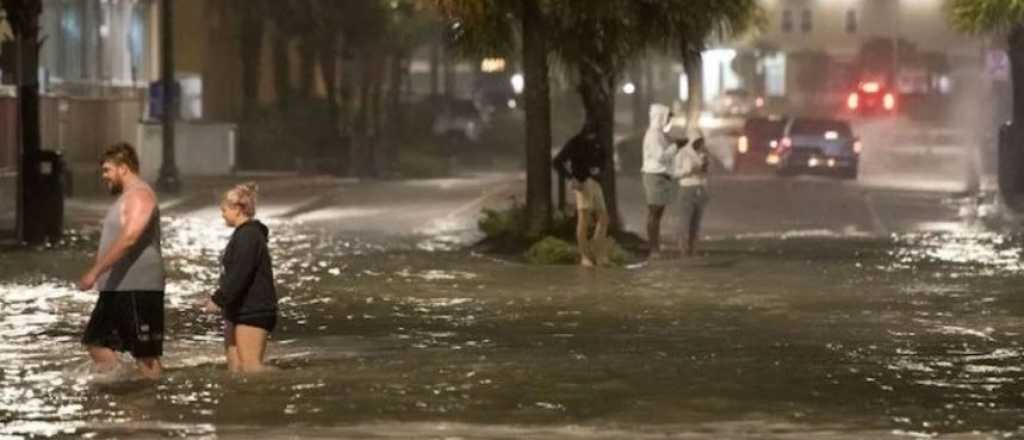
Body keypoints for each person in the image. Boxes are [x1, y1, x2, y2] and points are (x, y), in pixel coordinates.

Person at [78, 142, 166, 380]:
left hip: (138, 285)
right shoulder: (126, 197)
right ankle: (120, 386)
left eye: (107, 170)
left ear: (123, 168)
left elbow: (129, 238)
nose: (104, 176)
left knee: (145, 355)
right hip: (119, 286)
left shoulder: (140, 195)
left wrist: (94, 271)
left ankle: (152, 400)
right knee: (96, 341)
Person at [203, 183, 279, 373]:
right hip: (237, 309)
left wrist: (218, 299)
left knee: (251, 368)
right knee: (235, 368)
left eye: (225, 209)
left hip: (253, 309)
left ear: (238, 209)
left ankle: (286, 387)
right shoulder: (242, 235)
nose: (222, 214)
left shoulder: (249, 235)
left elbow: (240, 274)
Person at [553, 123, 609, 267]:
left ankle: (596, 251)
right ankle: (585, 256)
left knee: (603, 218)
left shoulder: (598, 142)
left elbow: (604, 157)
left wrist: (600, 170)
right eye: (590, 135)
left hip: (596, 183)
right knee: (584, 219)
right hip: (582, 184)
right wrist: (571, 178)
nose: (592, 137)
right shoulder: (575, 142)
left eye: (594, 135)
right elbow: (557, 162)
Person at [641, 103, 685, 258]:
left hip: (661, 176)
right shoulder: (653, 135)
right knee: (654, 212)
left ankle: (655, 247)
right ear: (660, 117)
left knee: (658, 213)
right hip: (654, 176)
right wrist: (676, 146)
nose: (669, 121)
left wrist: (676, 145)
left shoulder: (659, 134)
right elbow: (661, 156)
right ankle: (653, 249)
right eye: (668, 118)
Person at [675, 136, 711, 257]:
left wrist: (705, 165)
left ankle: (693, 248)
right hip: (687, 188)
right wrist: (688, 170)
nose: (701, 145)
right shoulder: (683, 153)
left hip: (700, 188)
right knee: (685, 220)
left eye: (702, 142)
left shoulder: (703, 154)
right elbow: (675, 172)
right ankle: (683, 249)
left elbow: (706, 173)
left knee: (696, 221)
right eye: (698, 142)